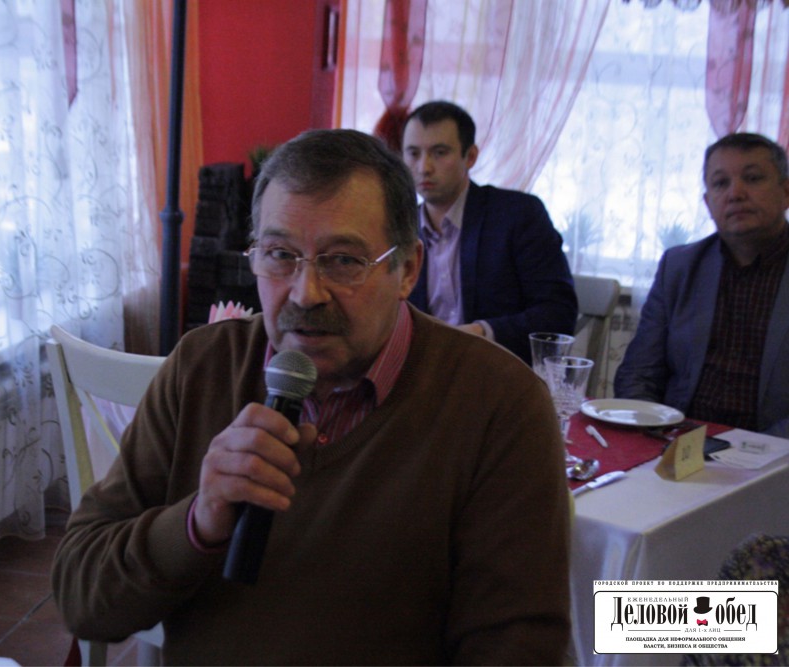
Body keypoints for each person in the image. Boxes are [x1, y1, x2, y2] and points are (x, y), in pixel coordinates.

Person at [52, 129, 571, 665]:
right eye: (280, 255)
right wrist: (197, 523)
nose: (305, 292)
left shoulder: (500, 406)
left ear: (408, 270)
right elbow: (80, 596)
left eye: (343, 260)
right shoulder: (202, 368)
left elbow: (518, 650)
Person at [615, 132, 789, 438]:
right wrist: (653, 434)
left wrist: (764, 453)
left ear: (786, 192)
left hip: (774, 453)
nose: (735, 193)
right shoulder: (679, 267)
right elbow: (639, 374)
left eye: (752, 178)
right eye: (721, 183)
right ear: (708, 203)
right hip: (677, 443)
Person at [401, 100, 578, 362]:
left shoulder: (517, 215)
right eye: (413, 153)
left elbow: (558, 313)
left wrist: (481, 333)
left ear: (470, 156)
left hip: (498, 370)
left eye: (439, 153)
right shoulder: (398, 228)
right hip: (422, 371)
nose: (424, 167)